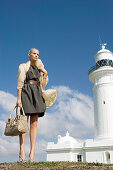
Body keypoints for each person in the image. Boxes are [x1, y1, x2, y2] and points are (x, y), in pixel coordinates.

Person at [17, 48, 50, 162]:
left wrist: (45, 72)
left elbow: (43, 84)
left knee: (34, 123)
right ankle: (22, 152)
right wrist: (18, 99)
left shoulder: (40, 67)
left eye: (38, 54)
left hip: (37, 93)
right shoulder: (23, 66)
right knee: (23, 124)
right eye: (34, 53)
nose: (36, 55)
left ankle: (32, 154)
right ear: (29, 54)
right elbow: (20, 83)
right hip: (26, 92)